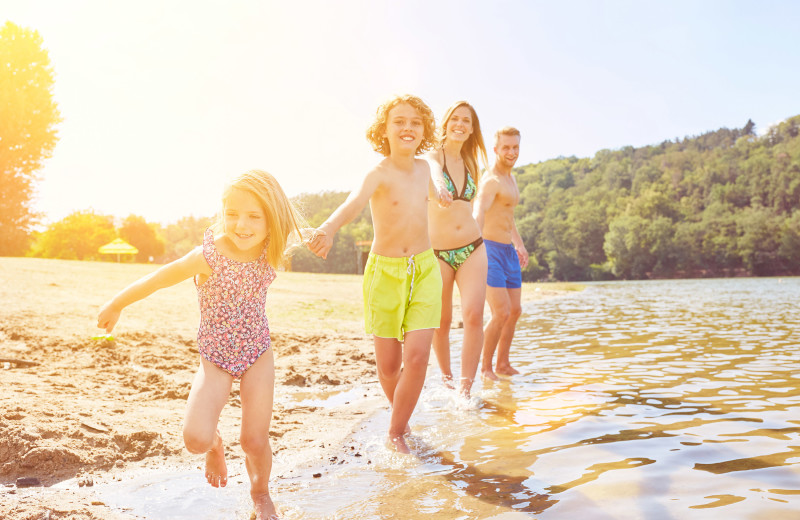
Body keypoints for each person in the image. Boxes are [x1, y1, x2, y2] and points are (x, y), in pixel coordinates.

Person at [97, 170, 306, 520]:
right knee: (195, 439)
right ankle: (215, 445)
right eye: (233, 213)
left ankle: (261, 495)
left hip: (258, 353)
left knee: (254, 441)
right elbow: (157, 280)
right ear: (222, 212)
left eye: (254, 216)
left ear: (272, 220)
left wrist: (323, 235)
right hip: (215, 358)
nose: (241, 224)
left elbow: (307, 233)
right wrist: (116, 304)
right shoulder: (207, 256)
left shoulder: (272, 249)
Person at [308, 94, 446, 454]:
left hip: (425, 268)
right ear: (384, 130)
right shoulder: (378, 173)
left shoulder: (425, 168)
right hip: (384, 273)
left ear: (424, 130)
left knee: (417, 358)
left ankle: (396, 433)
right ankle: (403, 419)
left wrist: (443, 190)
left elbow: (436, 186)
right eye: (399, 121)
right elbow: (352, 203)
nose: (407, 128)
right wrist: (328, 227)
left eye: (415, 122)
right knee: (388, 367)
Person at [425, 101, 488, 397]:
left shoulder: (473, 162)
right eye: (455, 119)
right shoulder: (432, 157)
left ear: (472, 128)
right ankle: (447, 379)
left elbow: (475, 207)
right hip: (438, 252)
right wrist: (439, 186)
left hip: (473, 247)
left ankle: (465, 390)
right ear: (446, 123)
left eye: (466, 120)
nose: (460, 124)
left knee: (474, 315)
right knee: (442, 320)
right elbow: (435, 171)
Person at [473, 127, 529, 380]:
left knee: (515, 310)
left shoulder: (512, 179)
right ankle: (485, 368)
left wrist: (519, 244)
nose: (511, 152)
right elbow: (480, 211)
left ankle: (503, 364)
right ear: (495, 150)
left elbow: (508, 217)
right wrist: (474, 247)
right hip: (490, 250)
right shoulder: (491, 181)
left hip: (508, 251)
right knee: (501, 312)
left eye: (515, 147)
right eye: (506, 147)